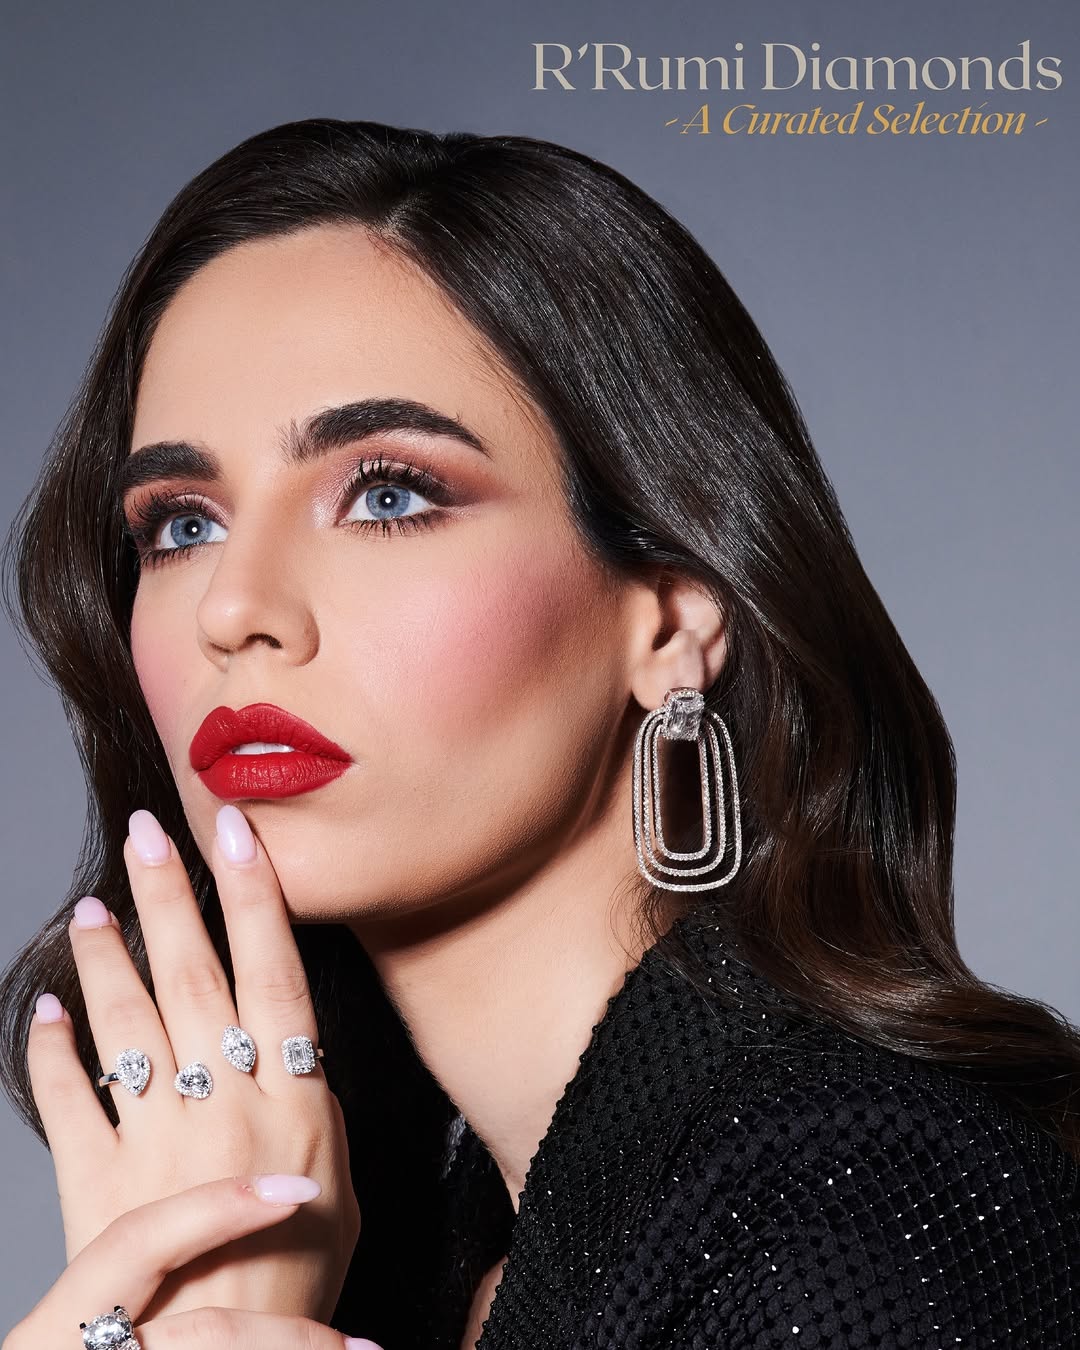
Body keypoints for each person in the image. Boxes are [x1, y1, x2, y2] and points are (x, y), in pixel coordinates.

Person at [1, 117, 1078, 1350]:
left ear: (668, 620)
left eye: (388, 494)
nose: (234, 609)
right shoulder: (437, 1252)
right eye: (182, 524)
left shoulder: (869, 1215)